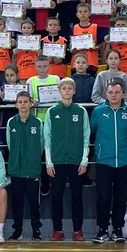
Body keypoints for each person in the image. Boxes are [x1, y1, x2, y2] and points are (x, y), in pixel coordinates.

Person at [90, 81, 127, 244]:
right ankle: (102, 229)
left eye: (117, 92)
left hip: (125, 161)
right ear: (106, 94)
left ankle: (118, 229)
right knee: (103, 196)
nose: (114, 95)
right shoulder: (98, 111)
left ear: (123, 94)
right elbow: (91, 131)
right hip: (104, 161)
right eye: (110, 92)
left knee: (121, 197)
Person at [43, 78, 90, 241]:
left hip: (76, 161)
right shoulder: (52, 111)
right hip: (56, 161)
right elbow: (47, 138)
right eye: (64, 88)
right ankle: (57, 230)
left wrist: (84, 160)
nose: (67, 91)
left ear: (74, 91)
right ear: (59, 91)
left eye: (70, 88)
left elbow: (86, 136)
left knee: (77, 196)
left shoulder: (81, 111)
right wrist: (49, 162)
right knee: (56, 197)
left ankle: (78, 230)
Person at [6, 91, 44, 241]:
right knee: (17, 203)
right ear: (16, 104)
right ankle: (17, 231)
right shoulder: (11, 122)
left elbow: (41, 144)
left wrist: (32, 158)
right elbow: (10, 144)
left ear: (30, 103)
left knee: (34, 203)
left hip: (33, 169)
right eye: (20, 102)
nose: (23, 104)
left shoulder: (37, 122)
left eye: (25, 101)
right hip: (16, 169)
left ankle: (36, 230)